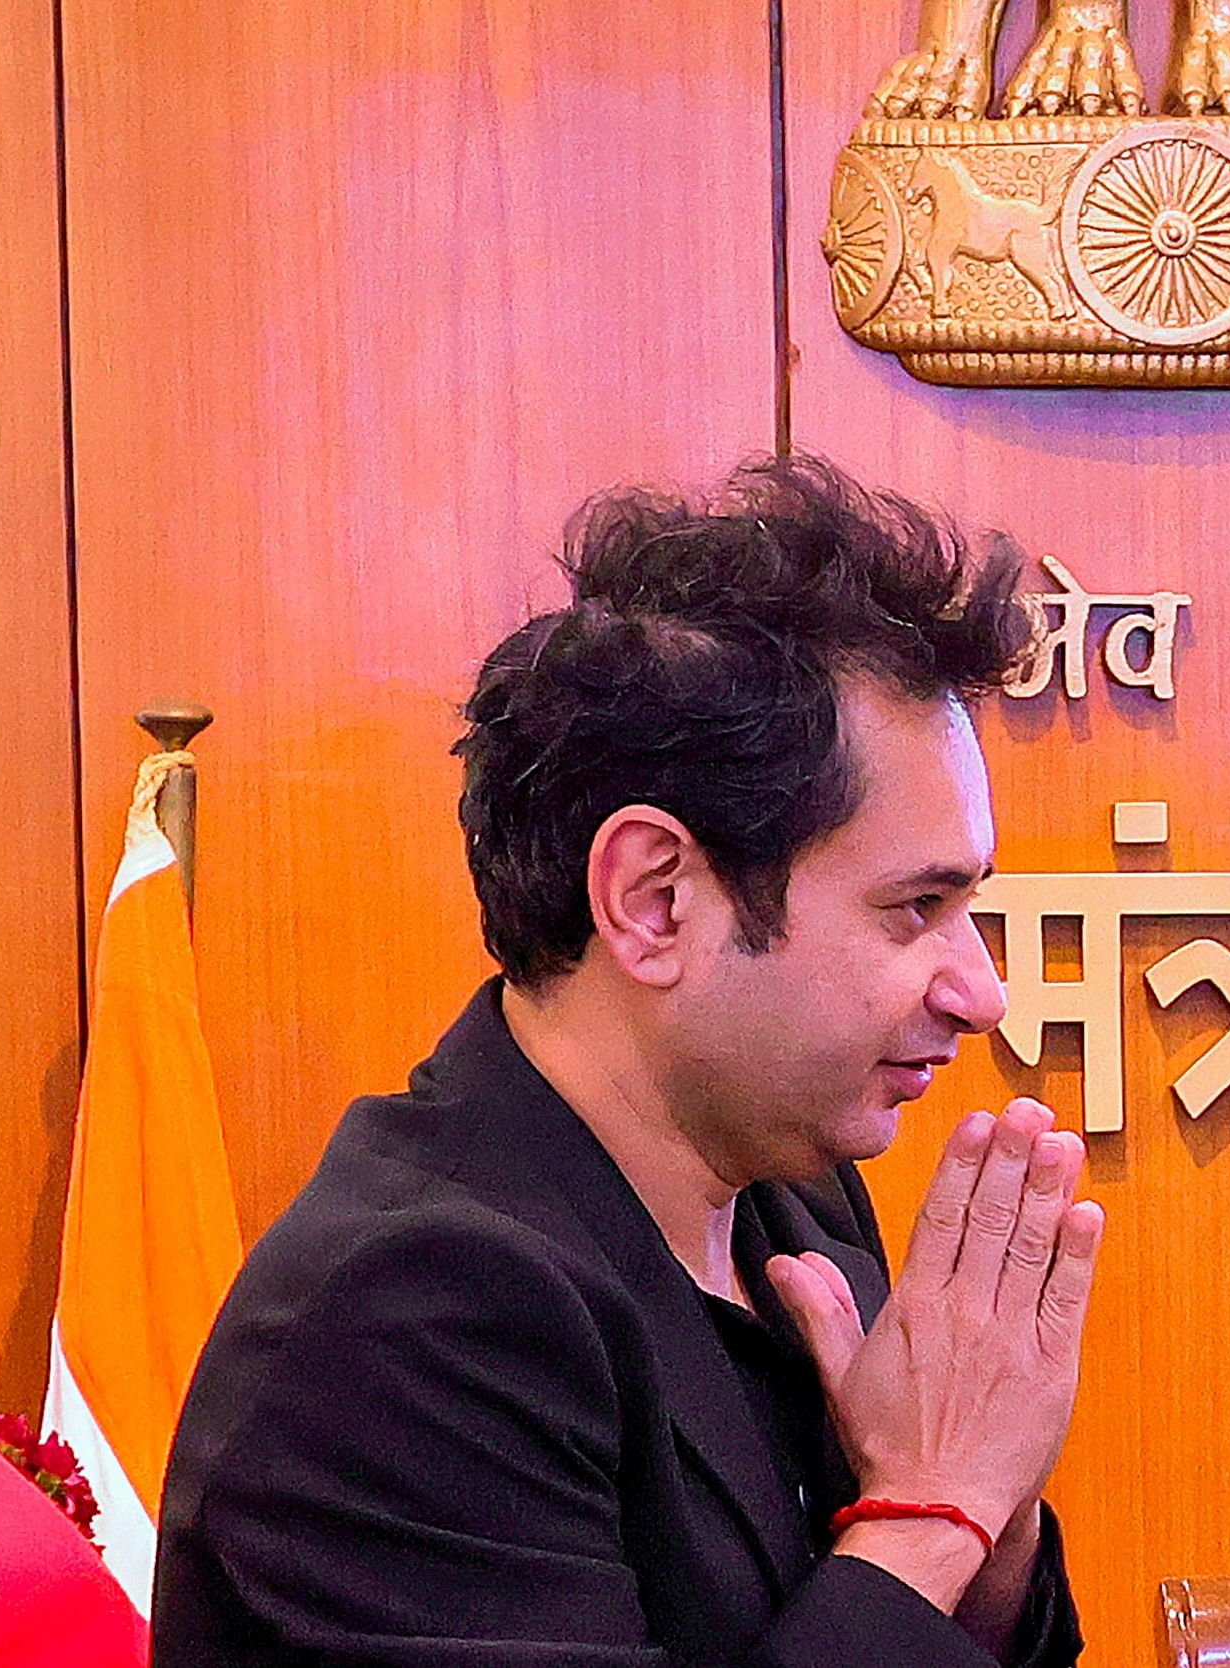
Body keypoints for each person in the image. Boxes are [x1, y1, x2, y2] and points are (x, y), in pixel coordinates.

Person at [152, 456, 1100, 1668]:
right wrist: (930, 1514)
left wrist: (989, 1515)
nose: (982, 991)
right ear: (654, 901)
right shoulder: (413, 1314)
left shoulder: (795, 1204)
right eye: (915, 908)